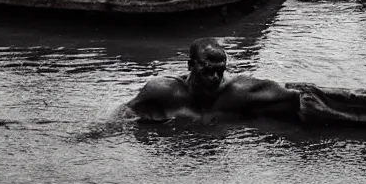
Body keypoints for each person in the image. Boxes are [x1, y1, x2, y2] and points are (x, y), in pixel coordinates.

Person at [121, 37, 299, 123]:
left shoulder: (237, 90)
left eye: (220, 71)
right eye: (208, 71)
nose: (215, 78)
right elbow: (123, 116)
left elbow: (293, 96)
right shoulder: (163, 90)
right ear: (191, 65)